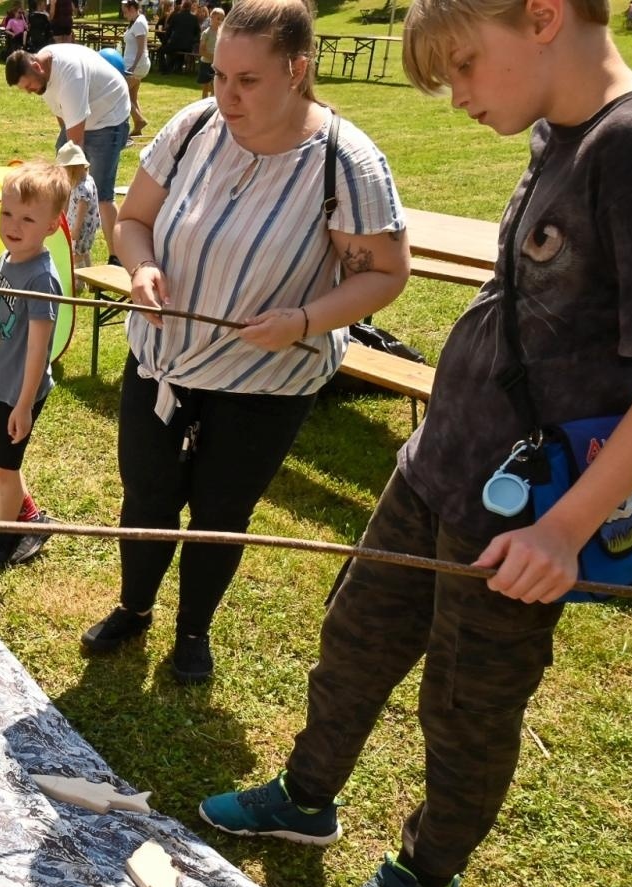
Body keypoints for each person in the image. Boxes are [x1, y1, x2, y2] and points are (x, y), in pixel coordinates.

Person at [199, 0, 632, 887]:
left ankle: (427, 879)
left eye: (464, 68)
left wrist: (564, 529)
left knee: (467, 699)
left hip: (524, 510)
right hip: (445, 460)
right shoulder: (562, 130)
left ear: (541, 16)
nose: (457, 99)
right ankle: (307, 794)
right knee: (356, 635)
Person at [86, 0, 408, 685]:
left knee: (222, 510)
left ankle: (193, 630)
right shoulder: (193, 126)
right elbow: (134, 220)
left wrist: (301, 321)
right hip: (164, 359)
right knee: (147, 494)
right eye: (218, 74)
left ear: (298, 70)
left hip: (269, 379)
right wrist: (140, 265)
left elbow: (384, 275)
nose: (225, 95)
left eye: (247, 80)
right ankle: (135, 607)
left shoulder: (344, 162)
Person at [0, 162, 70, 567]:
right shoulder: (4, 260)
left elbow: (38, 349)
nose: (13, 225)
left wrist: (25, 404)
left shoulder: (41, 278)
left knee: (5, 468)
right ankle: (29, 516)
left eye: (28, 218)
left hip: (19, 390)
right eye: (7, 213)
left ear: (51, 226)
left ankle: (5, 538)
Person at [6, 44, 130, 259]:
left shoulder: (71, 75)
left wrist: (74, 181)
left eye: (29, 86)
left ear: (37, 66)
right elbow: (62, 115)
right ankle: (61, 249)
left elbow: (76, 142)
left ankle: (116, 258)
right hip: (84, 117)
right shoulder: (42, 77)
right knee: (59, 187)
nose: (29, 92)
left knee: (101, 193)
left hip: (109, 117)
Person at [57, 140, 99, 285]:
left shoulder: (83, 188)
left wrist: (76, 229)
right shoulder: (86, 179)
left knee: (76, 257)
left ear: (72, 169)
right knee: (84, 251)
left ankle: (78, 284)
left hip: (82, 227)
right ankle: (93, 279)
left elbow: (82, 208)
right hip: (88, 225)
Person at [120, 0, 152, 135]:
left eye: (126, 11)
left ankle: (139, 120)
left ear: (132, 8)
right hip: (134, 64)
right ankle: (138, 127)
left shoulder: (139, 23)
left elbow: (141, 48)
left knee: (122, 94)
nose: (124, 14)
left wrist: (133, 67)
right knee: (132, 97)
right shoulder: (136, 22)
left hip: (136, 65)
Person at [158, 0, 200, 72]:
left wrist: (164, 42)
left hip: (175, 44)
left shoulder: (176, 16)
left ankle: (164, 68)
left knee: (161, 50)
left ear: (182, 7)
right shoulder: (194, 18)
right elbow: (198, 33)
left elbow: (169, 31)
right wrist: (192, 42)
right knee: (176, 53)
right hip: (188, 46)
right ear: (190, 8)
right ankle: (177, 67)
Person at [196, 6, 223, 94]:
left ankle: (213, 104)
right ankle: (205, 103)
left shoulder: (222, 34)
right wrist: (212, 58)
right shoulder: (206, 33)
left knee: (215, 86)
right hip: (206, 62)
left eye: (222, 19)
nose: (220, 21)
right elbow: (201, 50)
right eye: (218, 19)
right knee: (205, 86)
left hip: (217, 63)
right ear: (211, 18)